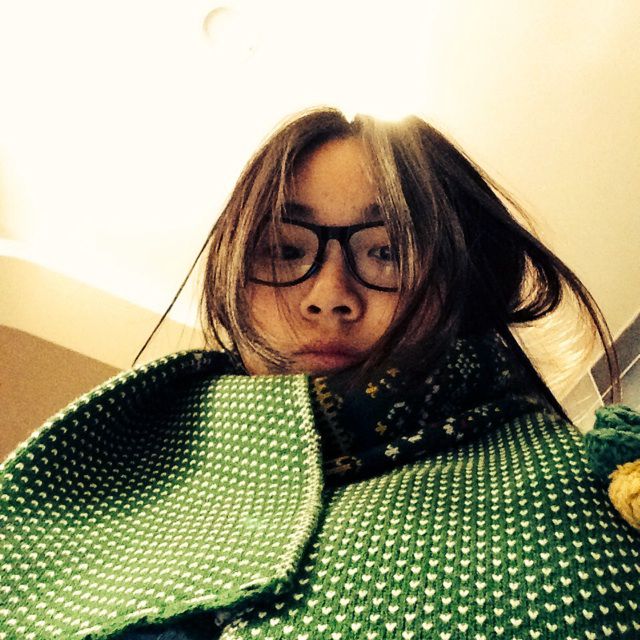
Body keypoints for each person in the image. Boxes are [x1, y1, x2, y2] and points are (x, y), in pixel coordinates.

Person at [2, 107, 639, 640]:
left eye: (388, 251)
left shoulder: (598, 495)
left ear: (464, 280)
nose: (329, 296)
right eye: (284, 249)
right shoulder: (95, 474)